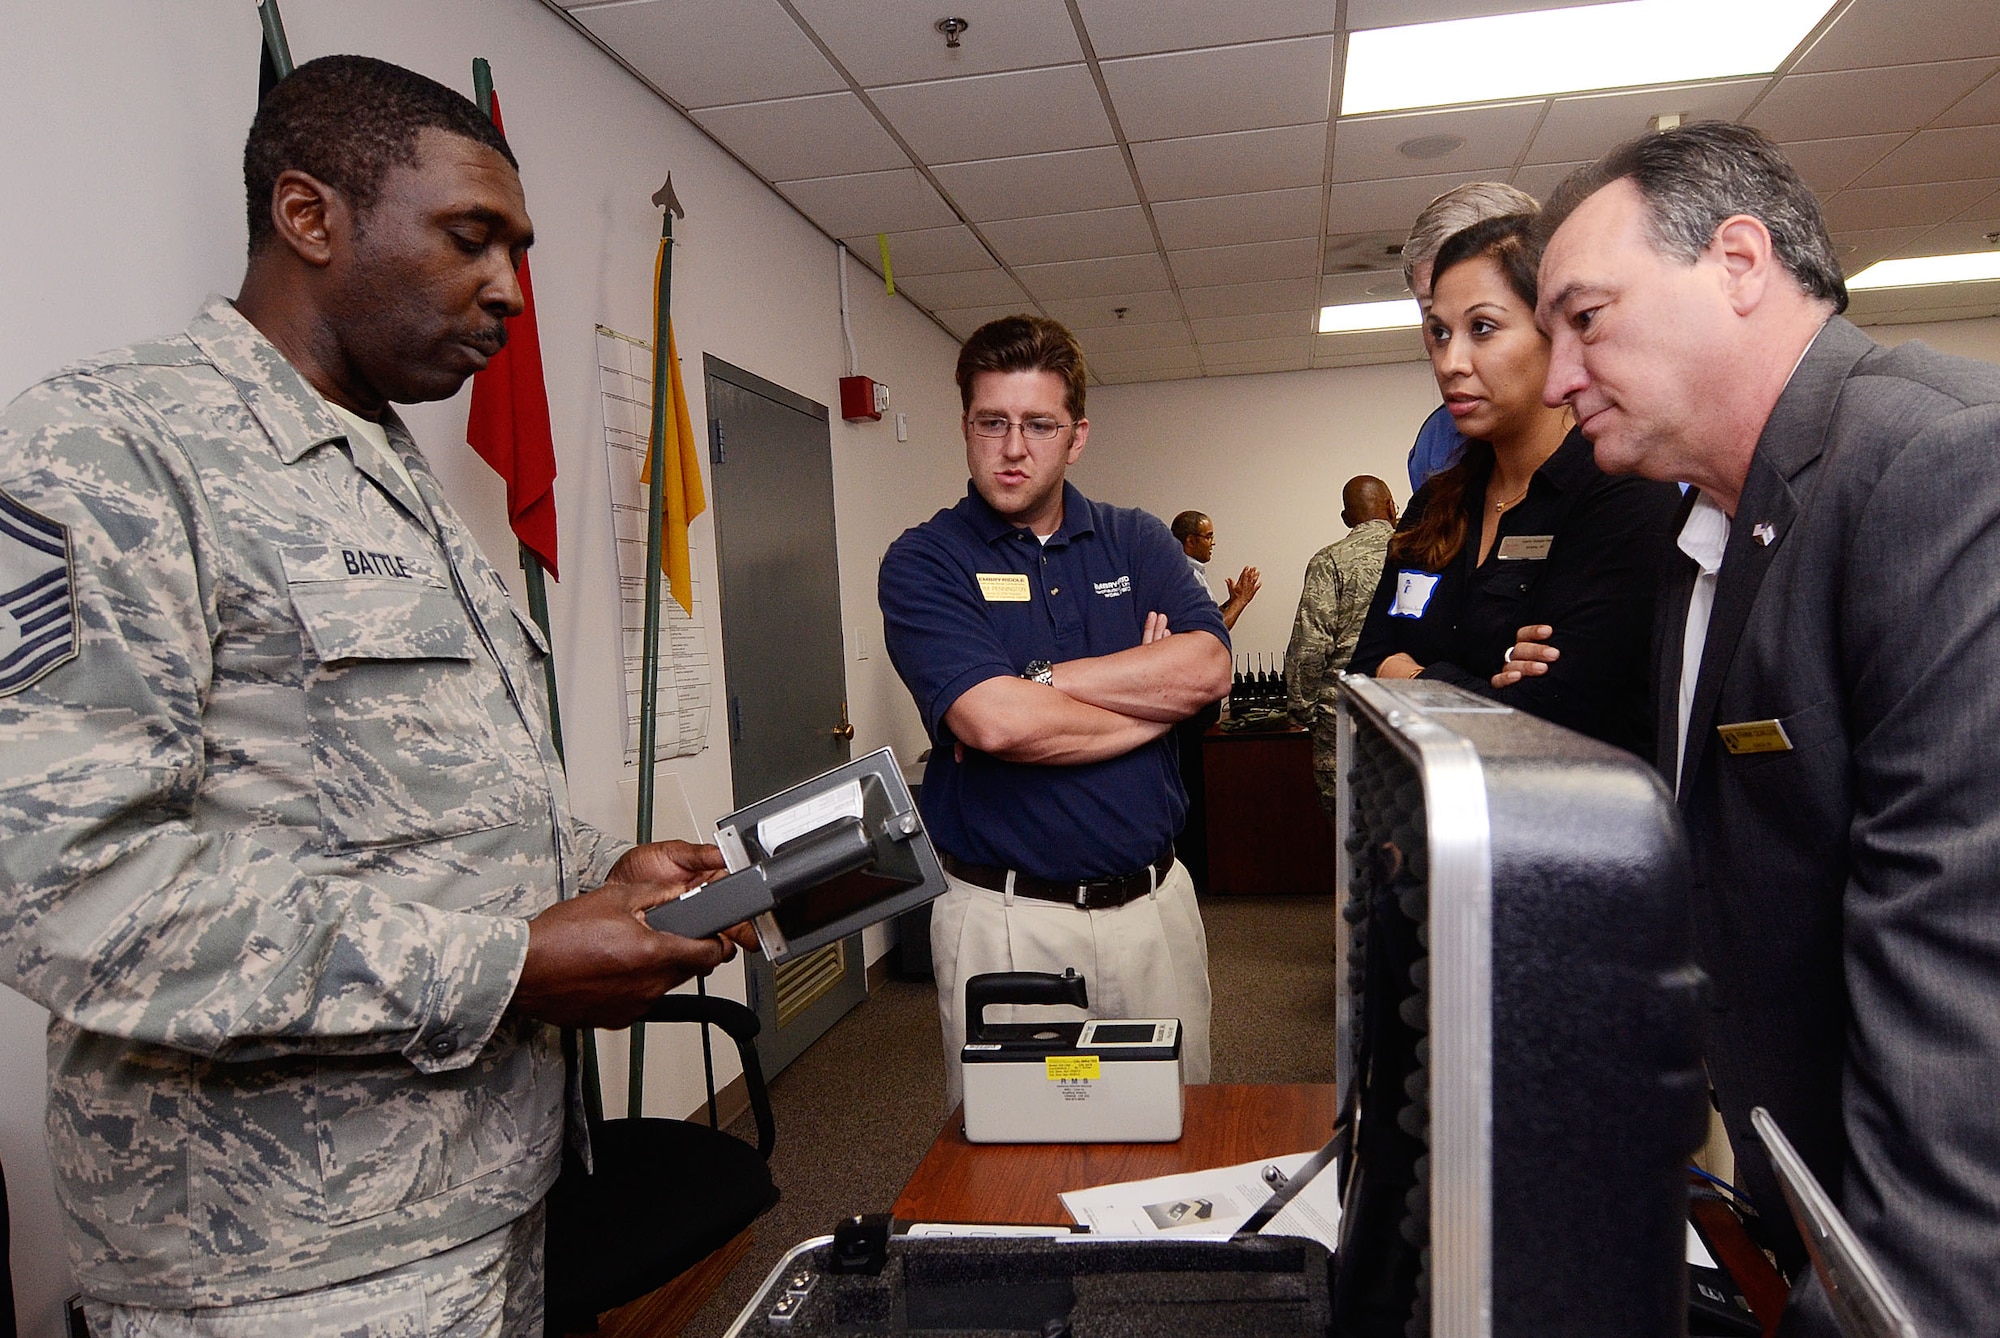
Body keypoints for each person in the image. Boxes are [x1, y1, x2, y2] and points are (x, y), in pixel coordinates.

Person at [0, 56, 748, 1334]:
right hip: (282, 1264)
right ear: (310, 216)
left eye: (515, 249)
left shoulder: (397, 481)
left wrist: (601, 869)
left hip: (484, 1202)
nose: (511, 291)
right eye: (474, 239)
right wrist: (508, 964)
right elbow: (70, 889)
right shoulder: (110, 451)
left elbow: (432, 798)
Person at [1517, 121, 2000, 1332]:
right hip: (1802, 1186)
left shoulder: (1936, 465)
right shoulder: (1708, 537)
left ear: (1738, 262)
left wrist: (1875, 1301)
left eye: (1583, 319)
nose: (1558, 373)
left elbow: (1961, 1000)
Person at [879, 315, 1231, 1107]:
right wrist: (1150, 700)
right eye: (991, 423)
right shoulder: (925, 560)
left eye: (1038, 425)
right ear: (966, 427)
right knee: (1018, 1175)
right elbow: (996, 725)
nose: (1013, 447)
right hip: (1008, 920)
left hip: (1153, 912)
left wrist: (1037, 678)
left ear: (1076, 437)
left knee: (1176, 1141)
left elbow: (1207, 668)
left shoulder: (1136, 541)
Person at [1348, 214, 1680, 756]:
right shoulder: (1436, 502)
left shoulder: (1624, 493)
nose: (1451, 363)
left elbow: (1551, 721)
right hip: (1433, 825)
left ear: (1555, 333)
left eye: (1482, 328)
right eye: (1439, 333)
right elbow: (1364, 668)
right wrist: (1486, 679)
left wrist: (1414, 677)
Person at [1400, 182, 1541, 493]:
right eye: (1436, 323)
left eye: (1480, 324)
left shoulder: (1618, 422)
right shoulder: (1436, 445)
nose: (1451, 361)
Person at [1283, 476, 1397, 812]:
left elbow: (1310, 645)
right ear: (1392, 507)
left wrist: (1303, 709)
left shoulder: (1330, 561)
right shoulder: (1423, 551)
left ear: (1347, 519)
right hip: (1410, 717)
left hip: (1342, 723)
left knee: (1348, 834)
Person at [1170, 510, 1260, 629]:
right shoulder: (1187, 577)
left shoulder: (1182, 570)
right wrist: (1242, 600)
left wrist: (1231, 602)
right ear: (1190, 541)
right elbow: (1211, 630)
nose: (1213, 543)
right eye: (1208, 537)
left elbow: (1208, 619)